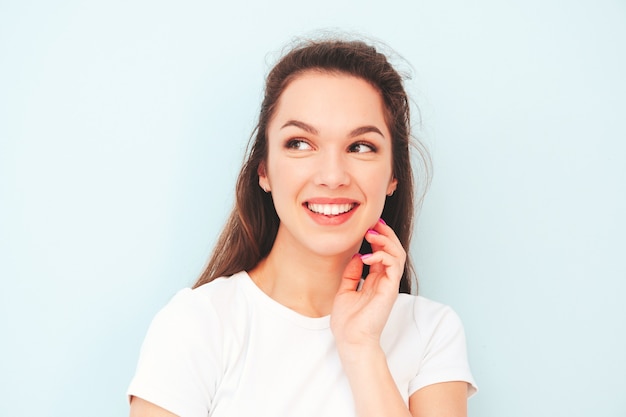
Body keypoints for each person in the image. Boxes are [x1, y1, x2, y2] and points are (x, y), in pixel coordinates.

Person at [128, 37, 477, 417]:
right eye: (300, 143)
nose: (331, 176)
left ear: (393, 176)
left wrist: (361, 347)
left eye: (360, 146)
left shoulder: (431, 331)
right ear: (263, 169)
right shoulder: (197, 325)